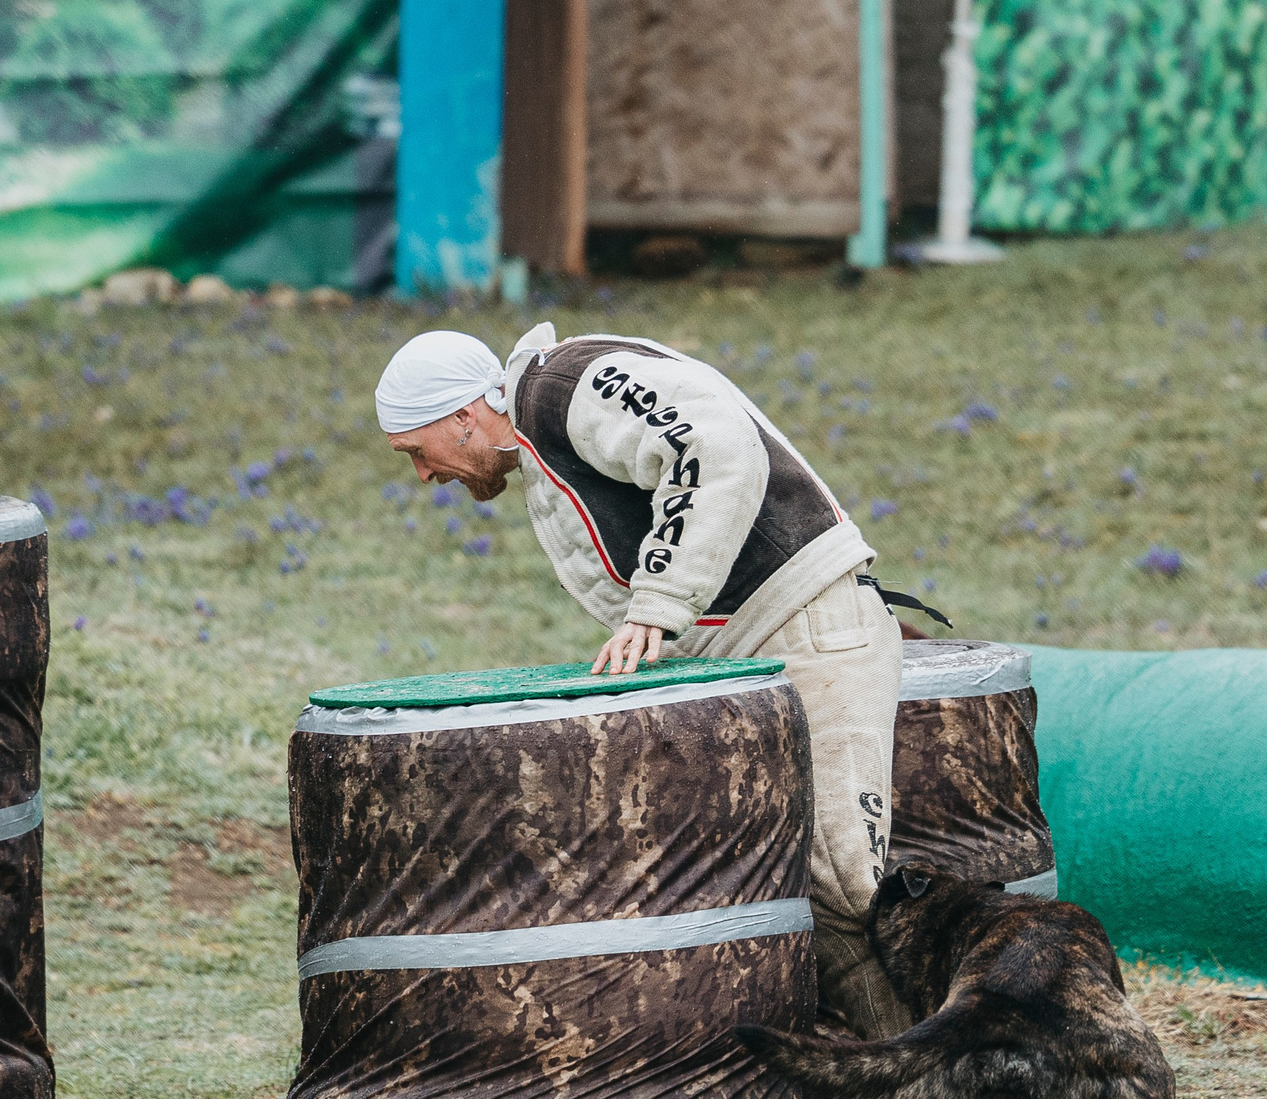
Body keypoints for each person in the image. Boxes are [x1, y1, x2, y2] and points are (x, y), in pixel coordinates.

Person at [375, 321, 914, 1042]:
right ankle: (953, 1096)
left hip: (810, 622)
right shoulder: (537, 434)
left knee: (850, 879)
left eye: (417, 450)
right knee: (800, 891)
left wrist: (660, 605)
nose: (423, 473)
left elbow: (714, 444)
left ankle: (1008, 1092)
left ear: (465, 416)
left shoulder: (567, 385)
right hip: (749, 659)